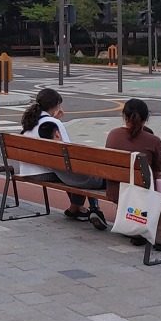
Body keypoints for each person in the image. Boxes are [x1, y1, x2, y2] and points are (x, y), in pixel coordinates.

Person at [16, 88, 108, 230]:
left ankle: (76, 208)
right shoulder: (53, 123)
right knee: (80, 170)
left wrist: (55, 120)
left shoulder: (31, 121)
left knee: (70, 170)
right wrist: (56, 121)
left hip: (29, 170)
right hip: (44, 172)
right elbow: (67, 152)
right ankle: (91, 208)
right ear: (55, 106)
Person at [106, 98, 161, 251]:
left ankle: (135, 228)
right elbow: (158, 176)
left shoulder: (113, 135)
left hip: (115, 191)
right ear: (146, 118)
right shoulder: (154, 140)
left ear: (124, 116)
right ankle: (158, 233)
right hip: (140, 194)